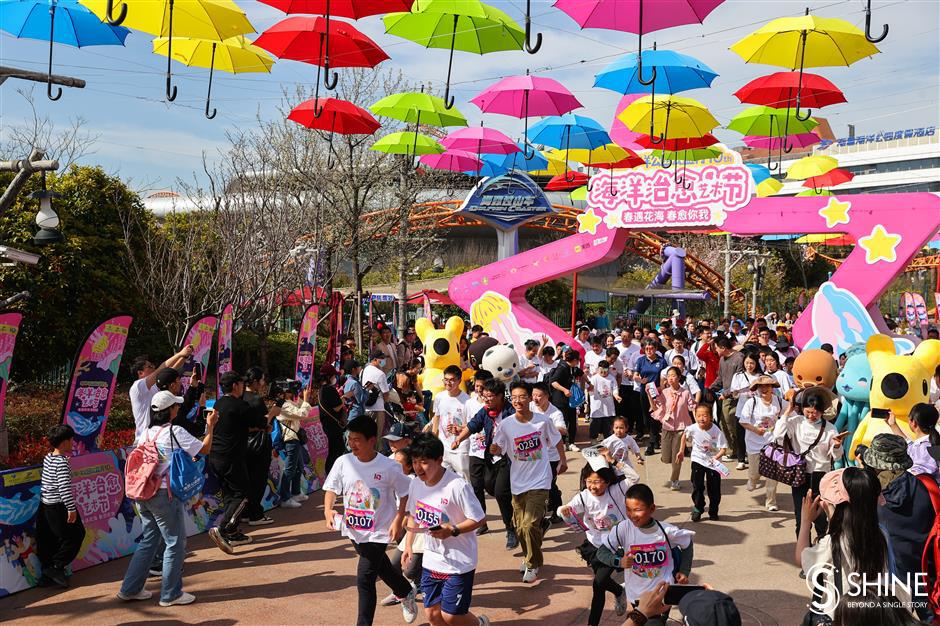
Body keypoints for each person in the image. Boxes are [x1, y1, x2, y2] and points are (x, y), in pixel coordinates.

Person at [117, 390, 217, 606]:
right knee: (175, 543)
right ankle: (171, 594)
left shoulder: (145, 433)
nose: (178, 408)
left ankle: (130, 589)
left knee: (149, 541)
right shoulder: (175, 431)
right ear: (169, 410)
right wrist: (211, 425)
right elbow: (205, 448)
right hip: (164, 495)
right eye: (176, 406)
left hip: (143, 493)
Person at [322, 417, 419, 626]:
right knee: (381, 565)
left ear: (371, 440)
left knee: (365, 577)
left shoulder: (389, 467)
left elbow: (405, 493)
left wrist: (398, 518)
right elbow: (331, 488)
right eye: (350, 439)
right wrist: (328, 510)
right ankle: (404, 590)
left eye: (357, 439)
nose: (352, 444)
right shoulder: (343, 462)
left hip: (380, 529)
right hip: (354, 529)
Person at [797, 467, 907, 622]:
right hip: (877, 615)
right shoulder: (882, 534)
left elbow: (801, 560)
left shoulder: (833, 542)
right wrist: (832, 515)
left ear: (840, 504)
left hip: (844, 617)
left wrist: (805, 522)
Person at [402, 433, 490, 626]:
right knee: (433, 616)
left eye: (424, 462)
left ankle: (480, 624)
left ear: (439, 460)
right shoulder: (416, 483)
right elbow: (414, 515)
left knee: (452, 616)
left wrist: (453, 530)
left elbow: (479, 517)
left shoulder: (457, 486)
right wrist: (408, 546)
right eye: (415, 461)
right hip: (432, 560)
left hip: (459, 563)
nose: (418, 467)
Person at [490, 382, 566, 583]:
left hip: (540, 480)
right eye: (514, 397)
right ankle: (528, 556)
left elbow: (557, 439)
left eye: (522, 396)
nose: (517, 401)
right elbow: (498, 446)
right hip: (518, 482)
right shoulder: (506, 424)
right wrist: (494, 449)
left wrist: (563, 460)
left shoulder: (543, 421)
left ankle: (533, 563)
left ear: (530, 398)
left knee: (529, 524)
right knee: (520, 526)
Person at [861, 433, 936, 621]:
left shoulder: (867, 498)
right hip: (924, 573)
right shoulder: (927, 487)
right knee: (930, 618)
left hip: (886, 578)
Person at [596, 483, 695, 626]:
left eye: (637, 510)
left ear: (652, 508)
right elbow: (602, 552)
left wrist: (684, 571)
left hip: (661, 593)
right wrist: (619, 561)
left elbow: (687, 544)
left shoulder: (666, 531)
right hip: (636, 593)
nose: (632, 515)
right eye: (628, 510)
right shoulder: (623, 529)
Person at [772, 390, 847, 539]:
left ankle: (821, 543)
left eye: (815, 413)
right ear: (802, 408)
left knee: (820, 516)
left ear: (822, 412)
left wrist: (837, 446)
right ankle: (803, 548)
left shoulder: (830, 428)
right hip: (800, 475)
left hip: (821, 475)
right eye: (808, 412)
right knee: (801, 517)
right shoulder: (796, 422)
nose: (811, 416)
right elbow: (778, 436)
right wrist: (787, 412)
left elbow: (837, 456)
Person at [560, 466, 629, 626]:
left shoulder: (616, 491)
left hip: (615, 547)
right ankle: (619, 590)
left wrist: (614, 462)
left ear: (607, 481)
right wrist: (562, 510)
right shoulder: (584, 497)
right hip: (595, 546)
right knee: (601, 583)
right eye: (589, 481)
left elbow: (634, 478)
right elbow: (566, 509)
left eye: (597, 482)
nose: (592, 486)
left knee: (598, 584)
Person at [207, 371, 265, 555]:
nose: (242, 388)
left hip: (215, 456)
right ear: (235, 386)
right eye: (240, 384)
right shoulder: (239, 405)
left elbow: (240, 424)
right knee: (242, 492)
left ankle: (232, 531)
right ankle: (223, 529)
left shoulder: (219, 403)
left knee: (230, 493)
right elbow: (260, 421)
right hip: (231, 457)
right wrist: (271, 414)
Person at [36, 425, 84, 589]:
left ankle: (46, 577)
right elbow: (64, 488)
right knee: (76, 535)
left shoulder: (49, 457)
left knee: (50, 540)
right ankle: (56, 568)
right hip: (59, 506)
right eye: (71, 440)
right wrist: (71, 509)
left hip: (46, 505)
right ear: (64, 443)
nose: (73, 442)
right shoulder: (62, 463)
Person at [129, 346, 193, 444]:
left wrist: (184, 356)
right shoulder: (138, 386)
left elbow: (171, 370)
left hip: (157, 437)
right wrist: (180, 354)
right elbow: (162, 368)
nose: (153, 367)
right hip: (144, 440)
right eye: (150, 366)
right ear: (140, 373)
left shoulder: (154, 385)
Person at [738, 375, 784, 511]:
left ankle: (771, 502)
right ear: (757, 388)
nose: (764, 389)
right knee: (755, 472)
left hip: (772, 442)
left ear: (772, 388)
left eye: (767, 386)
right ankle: (752, 479)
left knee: (772, 474)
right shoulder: (751, 402)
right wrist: (756, 430)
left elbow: (789, 412)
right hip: (753, 442)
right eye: (761, 386)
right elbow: (743, 421)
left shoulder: (779, 401)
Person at [242, 367, 280, 527]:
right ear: (256, 381)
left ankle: (245, 512)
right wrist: (272, 413)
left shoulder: (240, 397)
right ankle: (255, 514)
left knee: (247, 480)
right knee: (258, 480)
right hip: (258, 444)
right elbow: (265, 422)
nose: (264, 383)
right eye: (263, 379)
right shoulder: (256, 400)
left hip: (243, 443)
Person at [678, 404, 728, 522]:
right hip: (697, 459)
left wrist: (716, 457)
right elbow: (684, 435)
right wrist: (681, 450)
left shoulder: (716, 430)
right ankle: (698, 507)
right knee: (697, 485)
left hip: (713, 462)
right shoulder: (693, 428)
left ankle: (713, 510)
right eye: (698, 415)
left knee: (714, 488)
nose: (701, 418)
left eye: (705, 415)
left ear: (710, 416)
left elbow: (723, 448)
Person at [650, 367, 695, 491]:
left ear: (679, 377)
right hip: (667, 427)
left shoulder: (685, 393)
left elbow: (693, 407)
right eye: (668, 375)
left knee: (677, 456)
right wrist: (649, 394)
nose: (670, 378)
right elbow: (655, 407)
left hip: (681, 428)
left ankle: (675, 480)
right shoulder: (664, 392)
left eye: (673, 375)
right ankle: (673, 472)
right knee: (665, 457)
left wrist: (697, 424)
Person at [274, 380, 315, 509]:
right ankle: (284, 498)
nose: (292, 392)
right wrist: (306, 398)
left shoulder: (289, 403)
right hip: (290, 440)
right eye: (290, 390)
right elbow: (302, 414)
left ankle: (296, 493)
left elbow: (302, 406)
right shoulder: (283, 406)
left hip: (295, 439)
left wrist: (304, 398)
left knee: (299, 467)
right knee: (290, 469)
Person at [531, 381, 568, 521]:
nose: (535, 399)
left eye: (539, 396)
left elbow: (563, 430)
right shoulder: (530, 407)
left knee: (549, 483)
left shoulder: (555, 413)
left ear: (547, 396)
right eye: (533, 395)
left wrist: (547, 427)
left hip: (552, 455)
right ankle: (550, 502)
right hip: (534, 454)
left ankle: (557, 511)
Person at [709, 336, 745, 470]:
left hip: (736, 398)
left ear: (723, 347)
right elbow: (720, 377)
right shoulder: (722, 360)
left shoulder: (739, 358)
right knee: (724, 424)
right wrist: (711, 387)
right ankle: (732, 450)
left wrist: (727, 393)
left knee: (734, 425)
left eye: (717, 348)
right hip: (724, 397)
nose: (716, 351)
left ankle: (740, 451)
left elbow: (740, 381)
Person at [432, 365, 472, 483]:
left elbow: (471, 424)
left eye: (452, 380)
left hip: (461, 446)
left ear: (459, 381)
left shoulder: (467, 401)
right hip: (444, 445)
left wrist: (460, 429)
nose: (448, 383)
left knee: (465, 479)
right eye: (446, 379)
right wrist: (434, 437)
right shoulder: (440, 397)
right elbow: (437, 417)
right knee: (444, 479)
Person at [887, 402, 940, 483]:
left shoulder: (925, 448)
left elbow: (918, 475)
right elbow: (909, 444)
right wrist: (893, 425)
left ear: (914, 423)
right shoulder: (927, 443)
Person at [728, 353, 763, 470]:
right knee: (741, 436)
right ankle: (741, 459)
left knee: (755, 435)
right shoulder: (738, 376)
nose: (749, 365)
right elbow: (734, 393)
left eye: (752, 363)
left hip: (757, 410)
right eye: (747, 363)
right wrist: (739, 393)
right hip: (742, 410)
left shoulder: (760, 376)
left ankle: (756, 458)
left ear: (756, 363)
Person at [633, 339, 668, 456]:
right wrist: (640, 380)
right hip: (644, 393)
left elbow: (666, 377)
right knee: (646, 419)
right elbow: (635, 375)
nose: (649, 351)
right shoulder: (641, 360)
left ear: (656, 349)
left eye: (651, 348)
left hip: (658, 393)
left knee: (655, 417)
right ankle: (655, 437)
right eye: (647, 348)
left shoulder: (662, 361)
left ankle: (651, 444)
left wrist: (661, 387)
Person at [549, 349, 581, 452]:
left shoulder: (572, 368)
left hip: (570, 400)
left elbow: (581, 373)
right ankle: (561, 443)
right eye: (578, 360)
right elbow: (553, 382)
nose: (578, 362)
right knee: (562, 422)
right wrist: (564, 390)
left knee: (572, 421)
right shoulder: (562, 368)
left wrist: (589, 383)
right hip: (560, 400)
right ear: (574, 360)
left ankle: (571, 443)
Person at [320, 363, 349, 476]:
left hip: (328, 424)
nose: (334, 378)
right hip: (333, 425)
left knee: (336, 449)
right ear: (328, 376)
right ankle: (331, 475)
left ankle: (333, 474)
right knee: (336, 450)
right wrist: (343, 399)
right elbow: (336, 408)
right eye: (333, 375)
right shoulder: (329, 389)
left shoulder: (322, 389)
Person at [363, 350, 392, 448]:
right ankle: (374, 455)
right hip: (378, 408)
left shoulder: (365, 370)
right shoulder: (380, 374)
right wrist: (386, 402)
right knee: (377, 435)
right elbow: (386, 393)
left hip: (366, 407)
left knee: (366, 435)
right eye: (382, 358)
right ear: (375, 360)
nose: (384, 361)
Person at [587, 360, 620, 443]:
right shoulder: (594, 378)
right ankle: (593, 439)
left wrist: (616, 395)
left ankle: (607, 439)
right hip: (597, 406)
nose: (603, 373)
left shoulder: (611, 378)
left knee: (608, 424)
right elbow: (590, 390)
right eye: (601, 371)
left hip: (608, 406)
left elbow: (615, 389)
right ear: (598, 369)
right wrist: (589, 388)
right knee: (595, 424)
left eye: (605, 371)